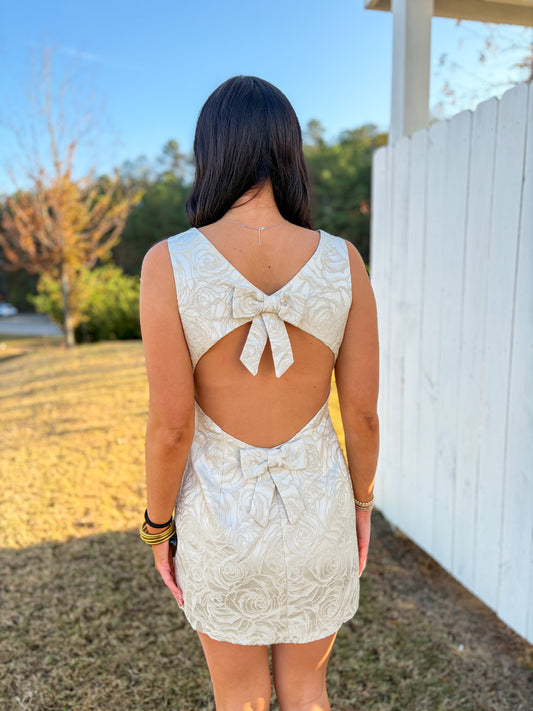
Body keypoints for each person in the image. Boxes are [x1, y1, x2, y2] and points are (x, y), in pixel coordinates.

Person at [139, 76, 379, 711]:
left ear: (210, 152)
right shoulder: (344, 261)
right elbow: (362, 415)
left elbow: (171, 427)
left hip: (220, 523)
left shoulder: (168, 262)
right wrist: (362, 505)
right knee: (308, 690)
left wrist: (157, 529)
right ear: (289, 151)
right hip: (318, 517)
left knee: (239, 698)